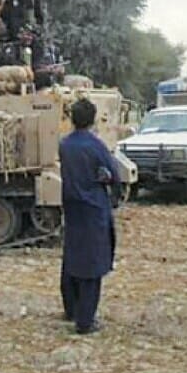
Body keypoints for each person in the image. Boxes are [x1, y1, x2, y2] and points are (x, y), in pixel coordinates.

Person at [58, 98, 119, 335]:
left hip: (72, 207)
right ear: (93, 119)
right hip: (94, 208)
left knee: (72, 257)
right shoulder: (96, 145)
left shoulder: (64, 145)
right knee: (93, 264)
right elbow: (114, 175)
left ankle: (70, 309)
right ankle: (85, 321)